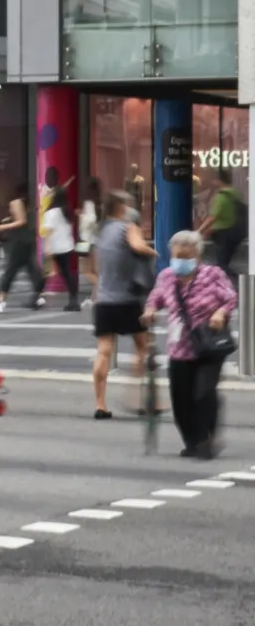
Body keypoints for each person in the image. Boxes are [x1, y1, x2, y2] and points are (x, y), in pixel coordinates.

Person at [145, 230, 238, 459]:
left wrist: (220, 312)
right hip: (180, 347)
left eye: (187, 257)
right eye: (177, 256)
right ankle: (192, 440)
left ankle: (207, 438)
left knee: (204, 393)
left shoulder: (212, 274)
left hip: (209, 343)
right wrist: (150, 310)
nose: (181, 261)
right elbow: (156, 297)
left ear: (197, 256)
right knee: (181, 399)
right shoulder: (166, 277)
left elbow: (231, 298)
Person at [90, 190, 155, 420]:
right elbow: (138, 247)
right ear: (121, 208)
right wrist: (152, 252)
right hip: (127, 299)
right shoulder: (129, 228)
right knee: (143, 346)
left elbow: (91, 266)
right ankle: (137, 397)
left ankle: (100, 404)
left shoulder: (100, 232)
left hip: (104, 300)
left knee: (104, 350)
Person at [0, 181, 41, 311]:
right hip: (28, 239)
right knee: (31, 269)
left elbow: (21, 221)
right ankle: (38, 295)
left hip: (19, 240)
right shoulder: (27, 202)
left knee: (11, 269)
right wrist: (8, 220)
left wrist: (2, 227)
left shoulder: (16, 202)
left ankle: (1, 300)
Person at [41, 179, 80, 312]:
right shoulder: (67, 211)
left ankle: (36, 296)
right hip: (67, 246)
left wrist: (46, 247)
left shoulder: (50, 213)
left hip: (55, 247)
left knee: (46, 271)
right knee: (67, 273)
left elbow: (48, 232)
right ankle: (74, 299)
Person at [204, 168, 245, 274]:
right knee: (224, 263)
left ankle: (233, 281)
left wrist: (200, 230)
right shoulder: (235, 193)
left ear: (219, 181)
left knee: (221, 265)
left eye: (215, 180)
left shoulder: (221, 196)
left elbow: (212, 217)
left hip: (223, 234)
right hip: (237, 232)